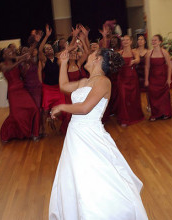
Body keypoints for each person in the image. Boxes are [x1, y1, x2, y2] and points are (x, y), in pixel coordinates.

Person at [49, 49, 148, 219]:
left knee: (95, 177)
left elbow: (85, 108)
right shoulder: (84, 81)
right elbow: (64, 86)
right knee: (75, 177)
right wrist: (64, 63)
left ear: (98, 59)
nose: (87, 55)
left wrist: (62, 107)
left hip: (90, 135)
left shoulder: (103, 82)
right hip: (75, 135)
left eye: (92, 53)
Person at [0, 48, 40, 142]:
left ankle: (34, 133)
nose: (10, 52)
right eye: (7, 52)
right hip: (13, 92)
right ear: (3, 56)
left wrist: (32, 46)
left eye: (10, 51)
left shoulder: (16, 59)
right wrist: (21, 60)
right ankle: (8, 133)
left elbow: (24, 56)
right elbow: (8, 68)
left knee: (34, 109)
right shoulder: (2, 65)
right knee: (15, 115)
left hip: (22, 89)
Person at [60, 30, 89, 134]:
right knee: (71, 111)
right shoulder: (64, 66)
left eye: (74, 53)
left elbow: (86, 52)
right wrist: (73, 40)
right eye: (70, 53)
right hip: (69, 93)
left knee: (79, 110)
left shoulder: (79, 64)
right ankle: (70, 130)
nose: (72, 54)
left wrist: (82, 40)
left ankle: (80, 129)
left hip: (79, 91)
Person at [116, 35, 144, 127]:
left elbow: (138, 59)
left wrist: (135, 61)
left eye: (127, 40)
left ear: (131, 41)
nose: (125, 41)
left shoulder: (134, 51)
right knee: (123, 98)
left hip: (132, 78)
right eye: (123, 40)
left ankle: (134, 116)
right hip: (122, 78)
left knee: (133, 98)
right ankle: (124, 118)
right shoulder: (120, 53)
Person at [145, 34, 172, 121]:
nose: (153, 42)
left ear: (160, 42)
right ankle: (155, 114)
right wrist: (146, 80)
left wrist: (169, 78)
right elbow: (147, 67)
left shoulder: (164, 52)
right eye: (152, 40)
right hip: (153, 78)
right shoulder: (149, 53)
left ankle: (165, 113)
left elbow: (169, 66)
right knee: (153, 96)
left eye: (155, 40)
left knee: (164, 97)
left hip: (163, 78)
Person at [135, 34, 150, 111]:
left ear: (145, 41)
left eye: (142, 39)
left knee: (148, 90)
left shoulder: (148, 51)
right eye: (139, 39)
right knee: (136, 91)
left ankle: (149, 105)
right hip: (136, 73)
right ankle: (137, 107)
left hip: (145, 73)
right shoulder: (134, 51)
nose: (140, 41)